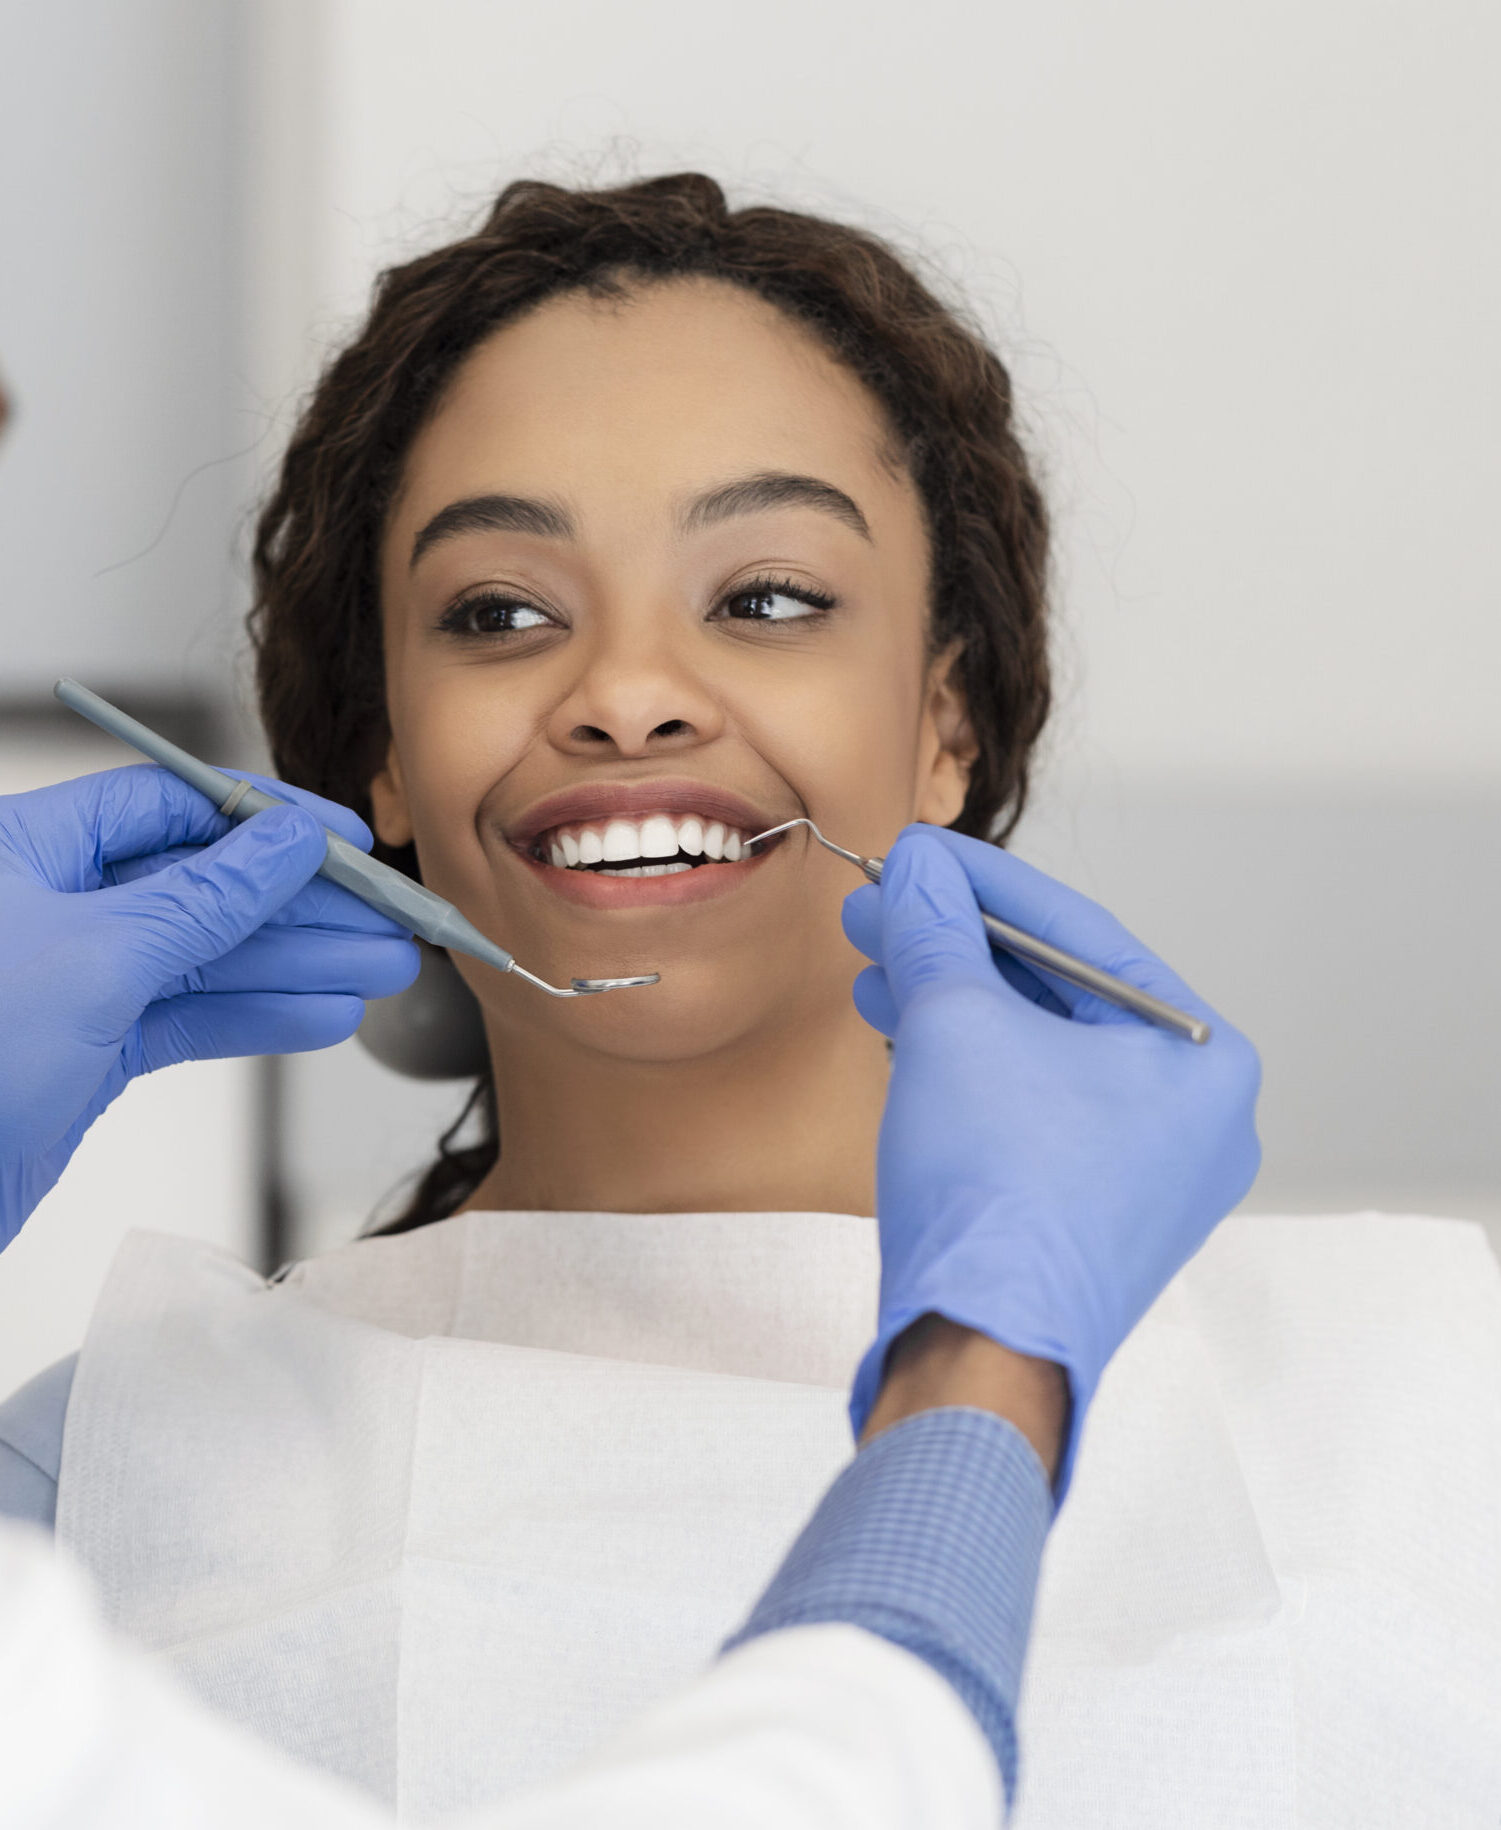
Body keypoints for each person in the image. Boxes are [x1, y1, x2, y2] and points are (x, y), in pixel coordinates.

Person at [6, 174, 1496, 1824]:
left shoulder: (1427, 1400)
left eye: (766, 598)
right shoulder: (104, 1473)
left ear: (946, 720)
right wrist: (979, 1381)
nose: (627, 694)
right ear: (384, 760)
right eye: (498, 612)